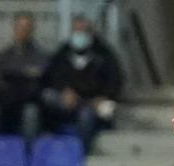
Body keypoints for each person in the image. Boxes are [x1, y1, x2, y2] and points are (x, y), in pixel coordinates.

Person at [41, 15, 123, 152]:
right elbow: (51, 76)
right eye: (76, 31)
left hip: (95, 101)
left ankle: (83, 152)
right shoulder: (63, 52)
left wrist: (104, 96)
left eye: (82, 31)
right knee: (46, 97)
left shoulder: (104, 54)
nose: (79, 35)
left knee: (94, 113)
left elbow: (115, 80)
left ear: (90, 33)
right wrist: (63, 90)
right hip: (69, 100)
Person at [0, 12, 49, 140]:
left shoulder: (41, 57)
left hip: (28, 102)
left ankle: (28, 155)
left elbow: (41, 84)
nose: (23, 31)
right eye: (20, 27)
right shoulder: (0, 57)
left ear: (32, 30)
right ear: (14, 28)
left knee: (31, 113)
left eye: (27, 27)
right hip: (4, 101)